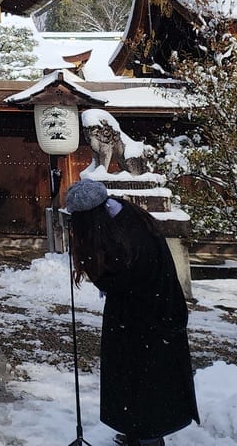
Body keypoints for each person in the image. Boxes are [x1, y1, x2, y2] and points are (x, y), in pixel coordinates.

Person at [64, 179, 199, 446]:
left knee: (144, 383)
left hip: (146, 319)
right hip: (144, 314)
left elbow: (116, 280)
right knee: (135, 380)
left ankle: (147, 438)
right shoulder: (125, 218)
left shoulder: (127, 238)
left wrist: (94, 267)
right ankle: (137, 431)